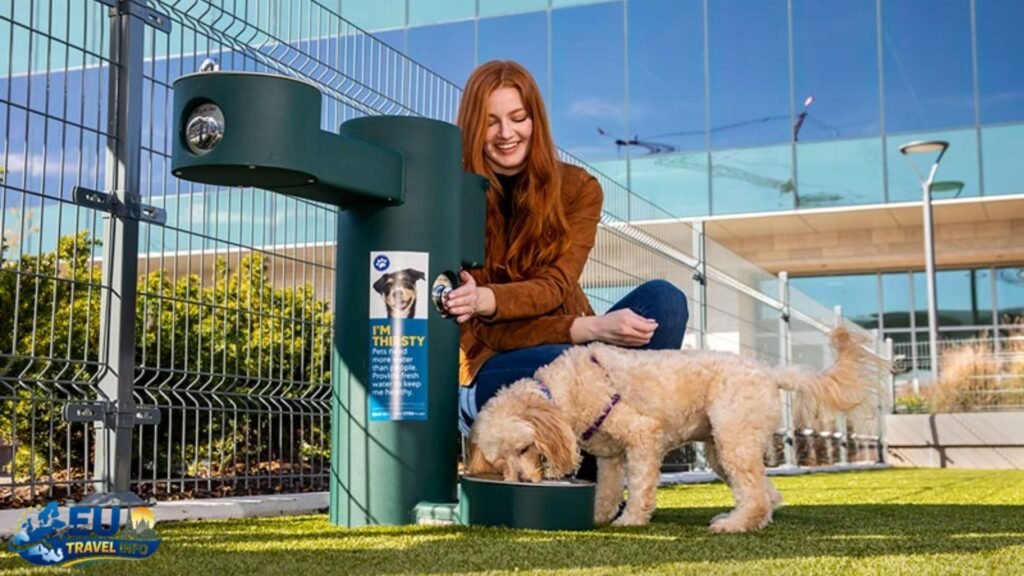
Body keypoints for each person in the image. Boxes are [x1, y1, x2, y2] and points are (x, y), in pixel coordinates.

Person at [447, 60, 688, 480]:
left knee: (665, 303)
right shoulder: (453, 194)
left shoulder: (578, 188)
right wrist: (587, 330)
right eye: (491, 122)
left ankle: (601, 470)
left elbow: (556, 286)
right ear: (472, 127)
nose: (507, 134)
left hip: (570, 337)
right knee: (574, 364)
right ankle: (583, 468)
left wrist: (583, 329)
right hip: (492, 364)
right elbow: (486, 330)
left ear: (535, 121)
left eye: (518, 118)